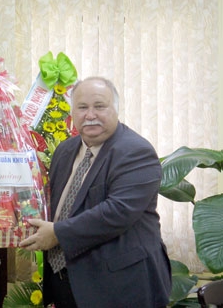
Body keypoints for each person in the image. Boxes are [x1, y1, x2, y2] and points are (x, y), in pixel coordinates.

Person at [20, 76, 172, 307]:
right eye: (82, 107)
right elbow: (54, 204)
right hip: (65, 281)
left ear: (116, 109)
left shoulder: (136, 151)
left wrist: (58, 233)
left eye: (99, 106)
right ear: (73, 112)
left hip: (119, 285)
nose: (90, 115)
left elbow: (118, 212)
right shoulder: (65, 150)